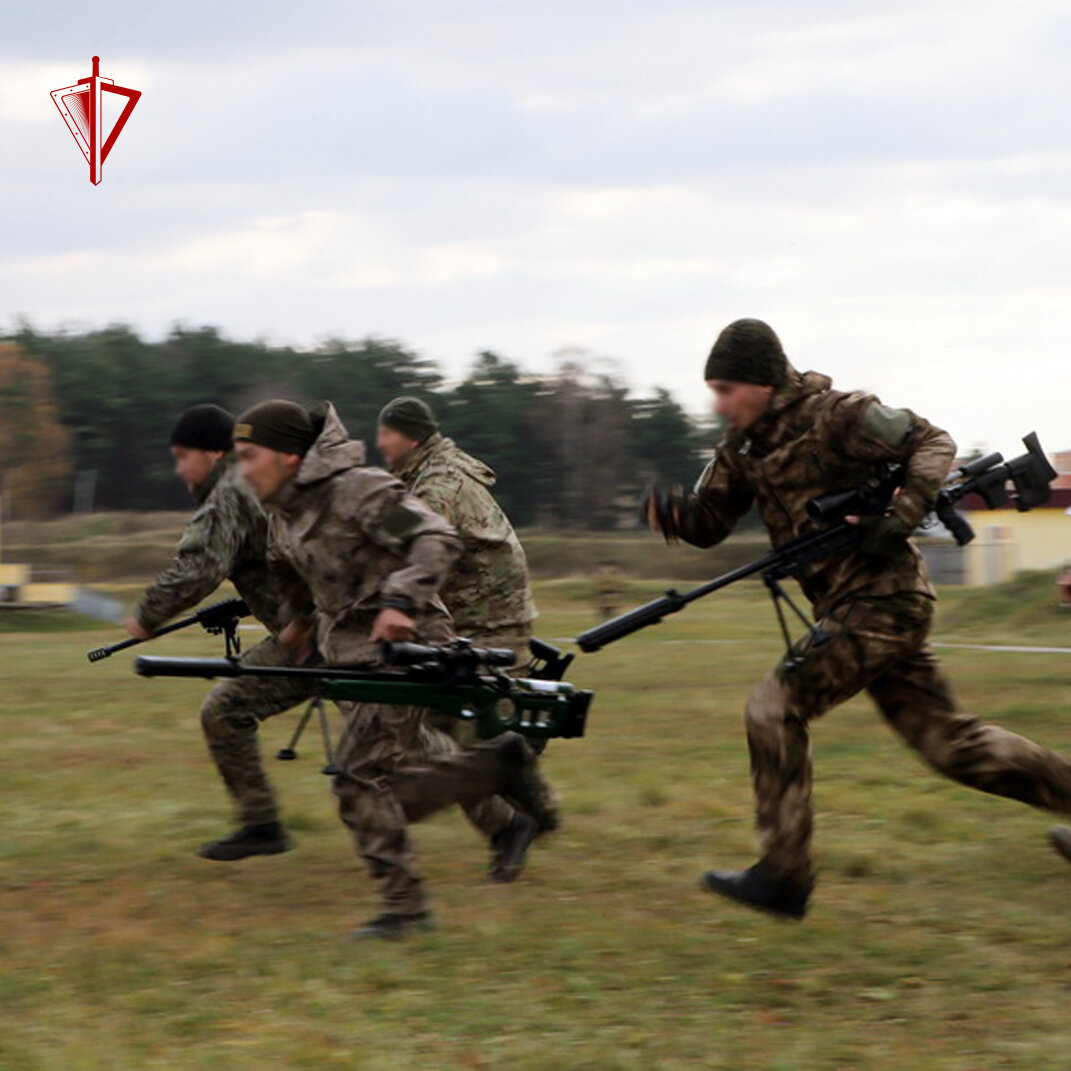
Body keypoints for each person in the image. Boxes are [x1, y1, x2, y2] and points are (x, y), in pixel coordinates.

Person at [648, 318, 1071, 918]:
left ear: (763, 382)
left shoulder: (839, 415)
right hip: (852, 608)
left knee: (774, 708)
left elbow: (933, 442)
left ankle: (784, 876)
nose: (717, 402)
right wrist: (671, 514)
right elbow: (710, 523)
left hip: (885, 600)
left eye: (725, 388)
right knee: (953, 746)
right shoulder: (743, 448)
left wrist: (900, 516)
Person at [232, 399, 553, 939]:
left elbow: (434, 537)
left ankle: (407, 911)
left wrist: (401, 601)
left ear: (288, 456)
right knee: (380, 783)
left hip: (410, 646)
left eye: (250, 455)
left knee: (359, 778)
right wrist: (297, 623)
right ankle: (493, 769)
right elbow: (285, 568)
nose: (242, 469)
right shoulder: (282, 511)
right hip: (351, 655)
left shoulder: (360, 490)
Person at [376, 396, 554, 882]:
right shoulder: (424, 476)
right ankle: (523, 812)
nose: (380, 442)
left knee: (451, 736)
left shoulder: (439, 484)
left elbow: (401, 542)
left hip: (489, 628)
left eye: (387, 433)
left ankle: (516, 821)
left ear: (411, 436)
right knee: (433, 733)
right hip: (468, 625)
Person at [127, 404, 313, 861]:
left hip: (317, 636)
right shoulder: (252, 482)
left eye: (181, 455)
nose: (178, 468)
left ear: (211, 453)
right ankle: (261, 825)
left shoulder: (230, 491)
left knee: (227, 708)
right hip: (312, 630)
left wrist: (147, 617)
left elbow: (200, 569)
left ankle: (263, 826)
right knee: (399, 725)